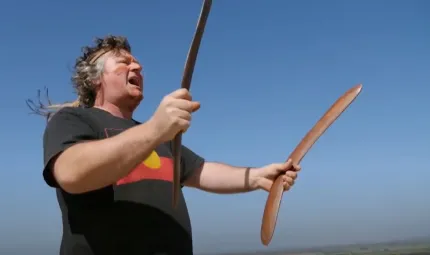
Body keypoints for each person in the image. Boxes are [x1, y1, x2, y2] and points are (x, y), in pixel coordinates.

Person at [35, 35, 301, 255]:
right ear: (95, 79)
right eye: (124, 62)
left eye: (138, 64)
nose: (137, 68)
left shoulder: (158, 137)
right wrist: (155, 129)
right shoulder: (74, 119)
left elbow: (200, 170)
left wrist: (257, 177)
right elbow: (71, 173)